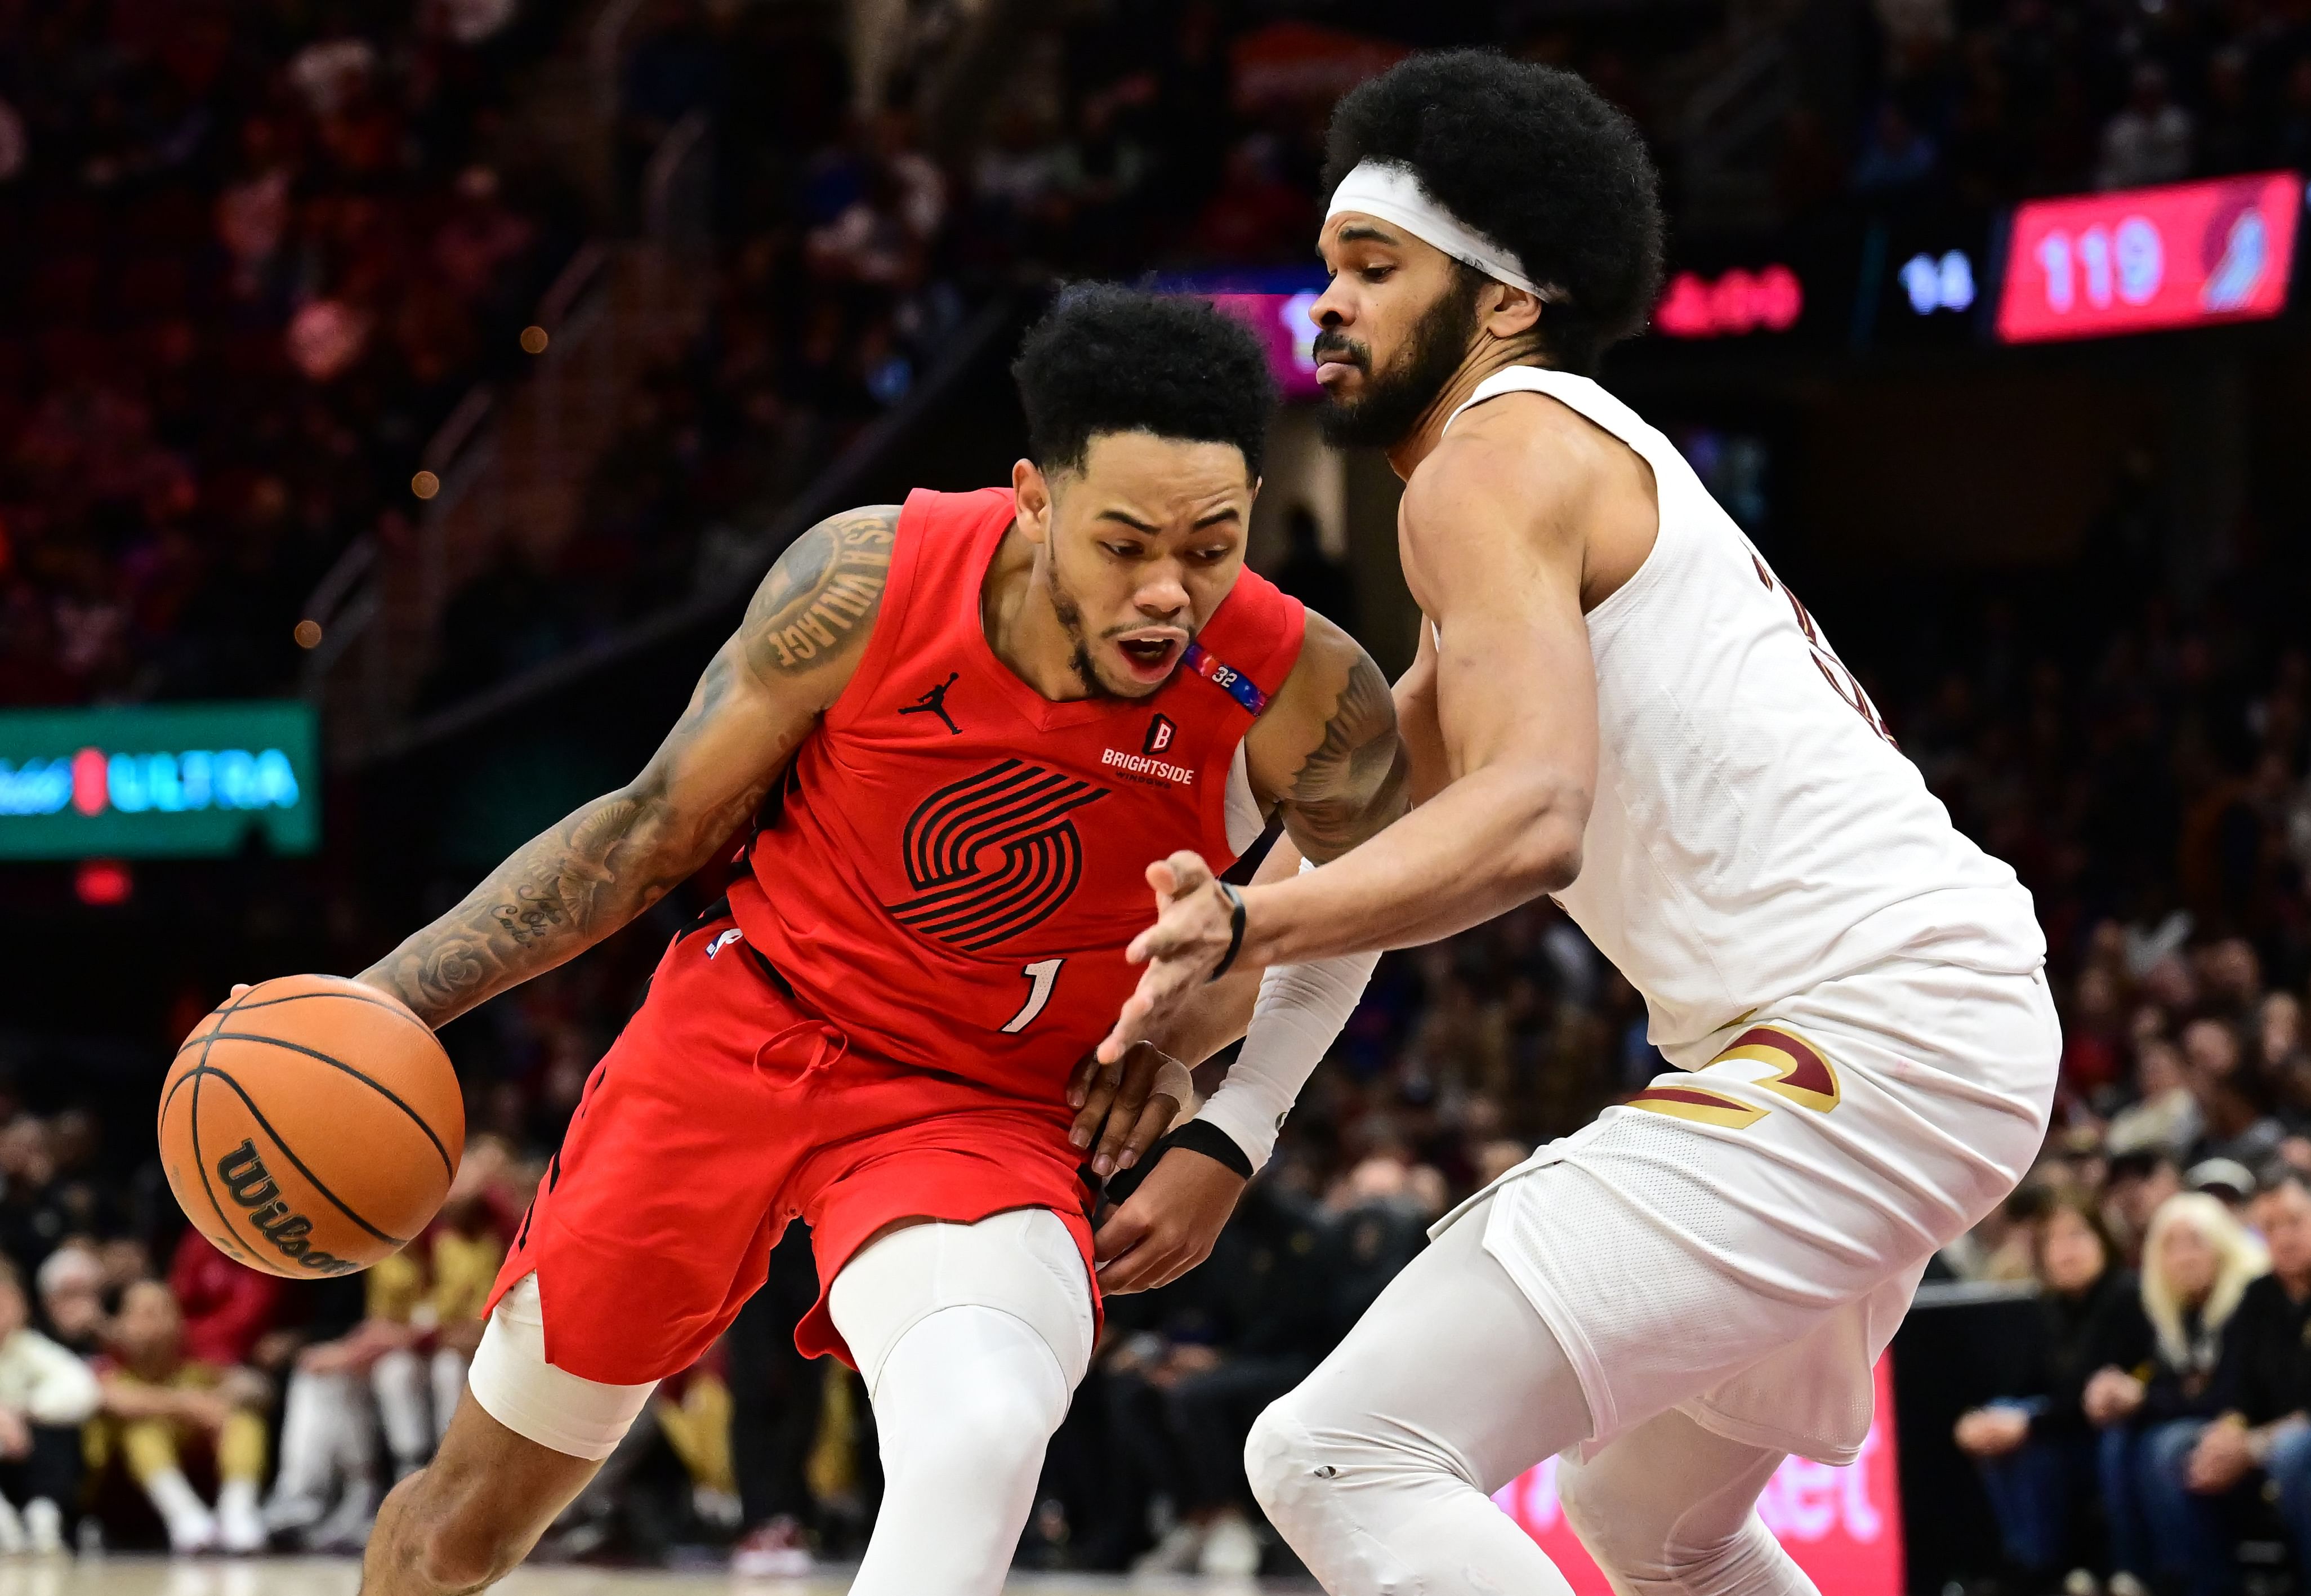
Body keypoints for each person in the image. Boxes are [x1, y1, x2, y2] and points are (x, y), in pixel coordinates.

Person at [1101, 51, 2059, 1596]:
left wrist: (1243, 921)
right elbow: (1347, 857)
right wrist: (1226, 1105)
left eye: (1374, 267)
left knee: (1337, 1451)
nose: (1325, 305)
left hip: (1864, 1031)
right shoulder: (1514, 512)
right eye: (1326, 267)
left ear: (1505, 300)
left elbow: (1528, 820)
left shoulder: (1493, 459)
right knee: (1648, 1522)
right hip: (1920, 1031)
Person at [311, 287, 1403, 1596]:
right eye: (1125, 542)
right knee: (455, 1532)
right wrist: (380, 1000)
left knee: (983, 1430)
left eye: (1212, 543)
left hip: (981, 1101)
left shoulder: (1299, 686)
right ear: (1034, 498)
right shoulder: (865, 578)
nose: (1170, 591)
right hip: (733, 1033)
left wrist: (1229, 1113)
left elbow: (1362, 894)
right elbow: (647, 831)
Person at [2152, 1165, 2311, 1596]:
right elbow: (2239, 1389)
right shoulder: (2259, 1295)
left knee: (2294, 1453)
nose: (2283, 1237)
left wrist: (2256, 1444)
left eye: (2294, 1221)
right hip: (2273, 1436)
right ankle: (2214, 1586)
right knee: (2177, 1449)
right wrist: (2229, 1431)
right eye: (2269, 1227)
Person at [1952, 1193, 2145, 1589]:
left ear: (2102, 1239)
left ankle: (2043, 1569)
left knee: (2030, 1444)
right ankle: (2021, 1558)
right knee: (2002, 1417)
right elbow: (2025, 1386)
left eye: (2075, 1236)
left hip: (2110, 1435)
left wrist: (2027, 1425)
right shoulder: (2049, 1309)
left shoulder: (2126, 1297)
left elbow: (2091, 1402)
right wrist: (1982, 1418)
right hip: (2064, 1431)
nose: (2064, 1252)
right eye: (2052, 1242)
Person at [2085, 1190, 2267, 1596]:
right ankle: (2135, 1573)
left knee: (2165, 1448)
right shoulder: (2176, 1311)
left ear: (2222, 1245)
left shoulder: (2248, 1298)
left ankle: (2207, 1581)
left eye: (2195, 1242)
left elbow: (2227, 1395)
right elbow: (2173, 1387)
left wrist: (2143, 1399)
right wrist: (2127, 1392)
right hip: (2203, 1422)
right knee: (2119, 1439)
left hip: (2252, 1426)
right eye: (2172, 1246)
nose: (2184, 1256)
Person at [90, 1280, 271, 1553]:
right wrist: (187, 1404)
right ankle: (183, 1516)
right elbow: (111, 1399)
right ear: (121, 1324)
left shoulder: (197, 1362)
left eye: (164, 1312)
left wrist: (226, 1399)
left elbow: (259, 1389)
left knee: (243, 1422)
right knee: (142, 1430)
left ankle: (238, 1514)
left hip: (205, 1492)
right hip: (119, 1503)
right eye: (144, 1314)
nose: (155, 1325)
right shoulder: (107, 1365)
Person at [0, 1257, 100, 1554]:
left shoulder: (31, 1347)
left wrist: (24, 1412)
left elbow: (83, 1391)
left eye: (7, 1298)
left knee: (60, 1432)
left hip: (26, 1459)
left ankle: (44, 1512)